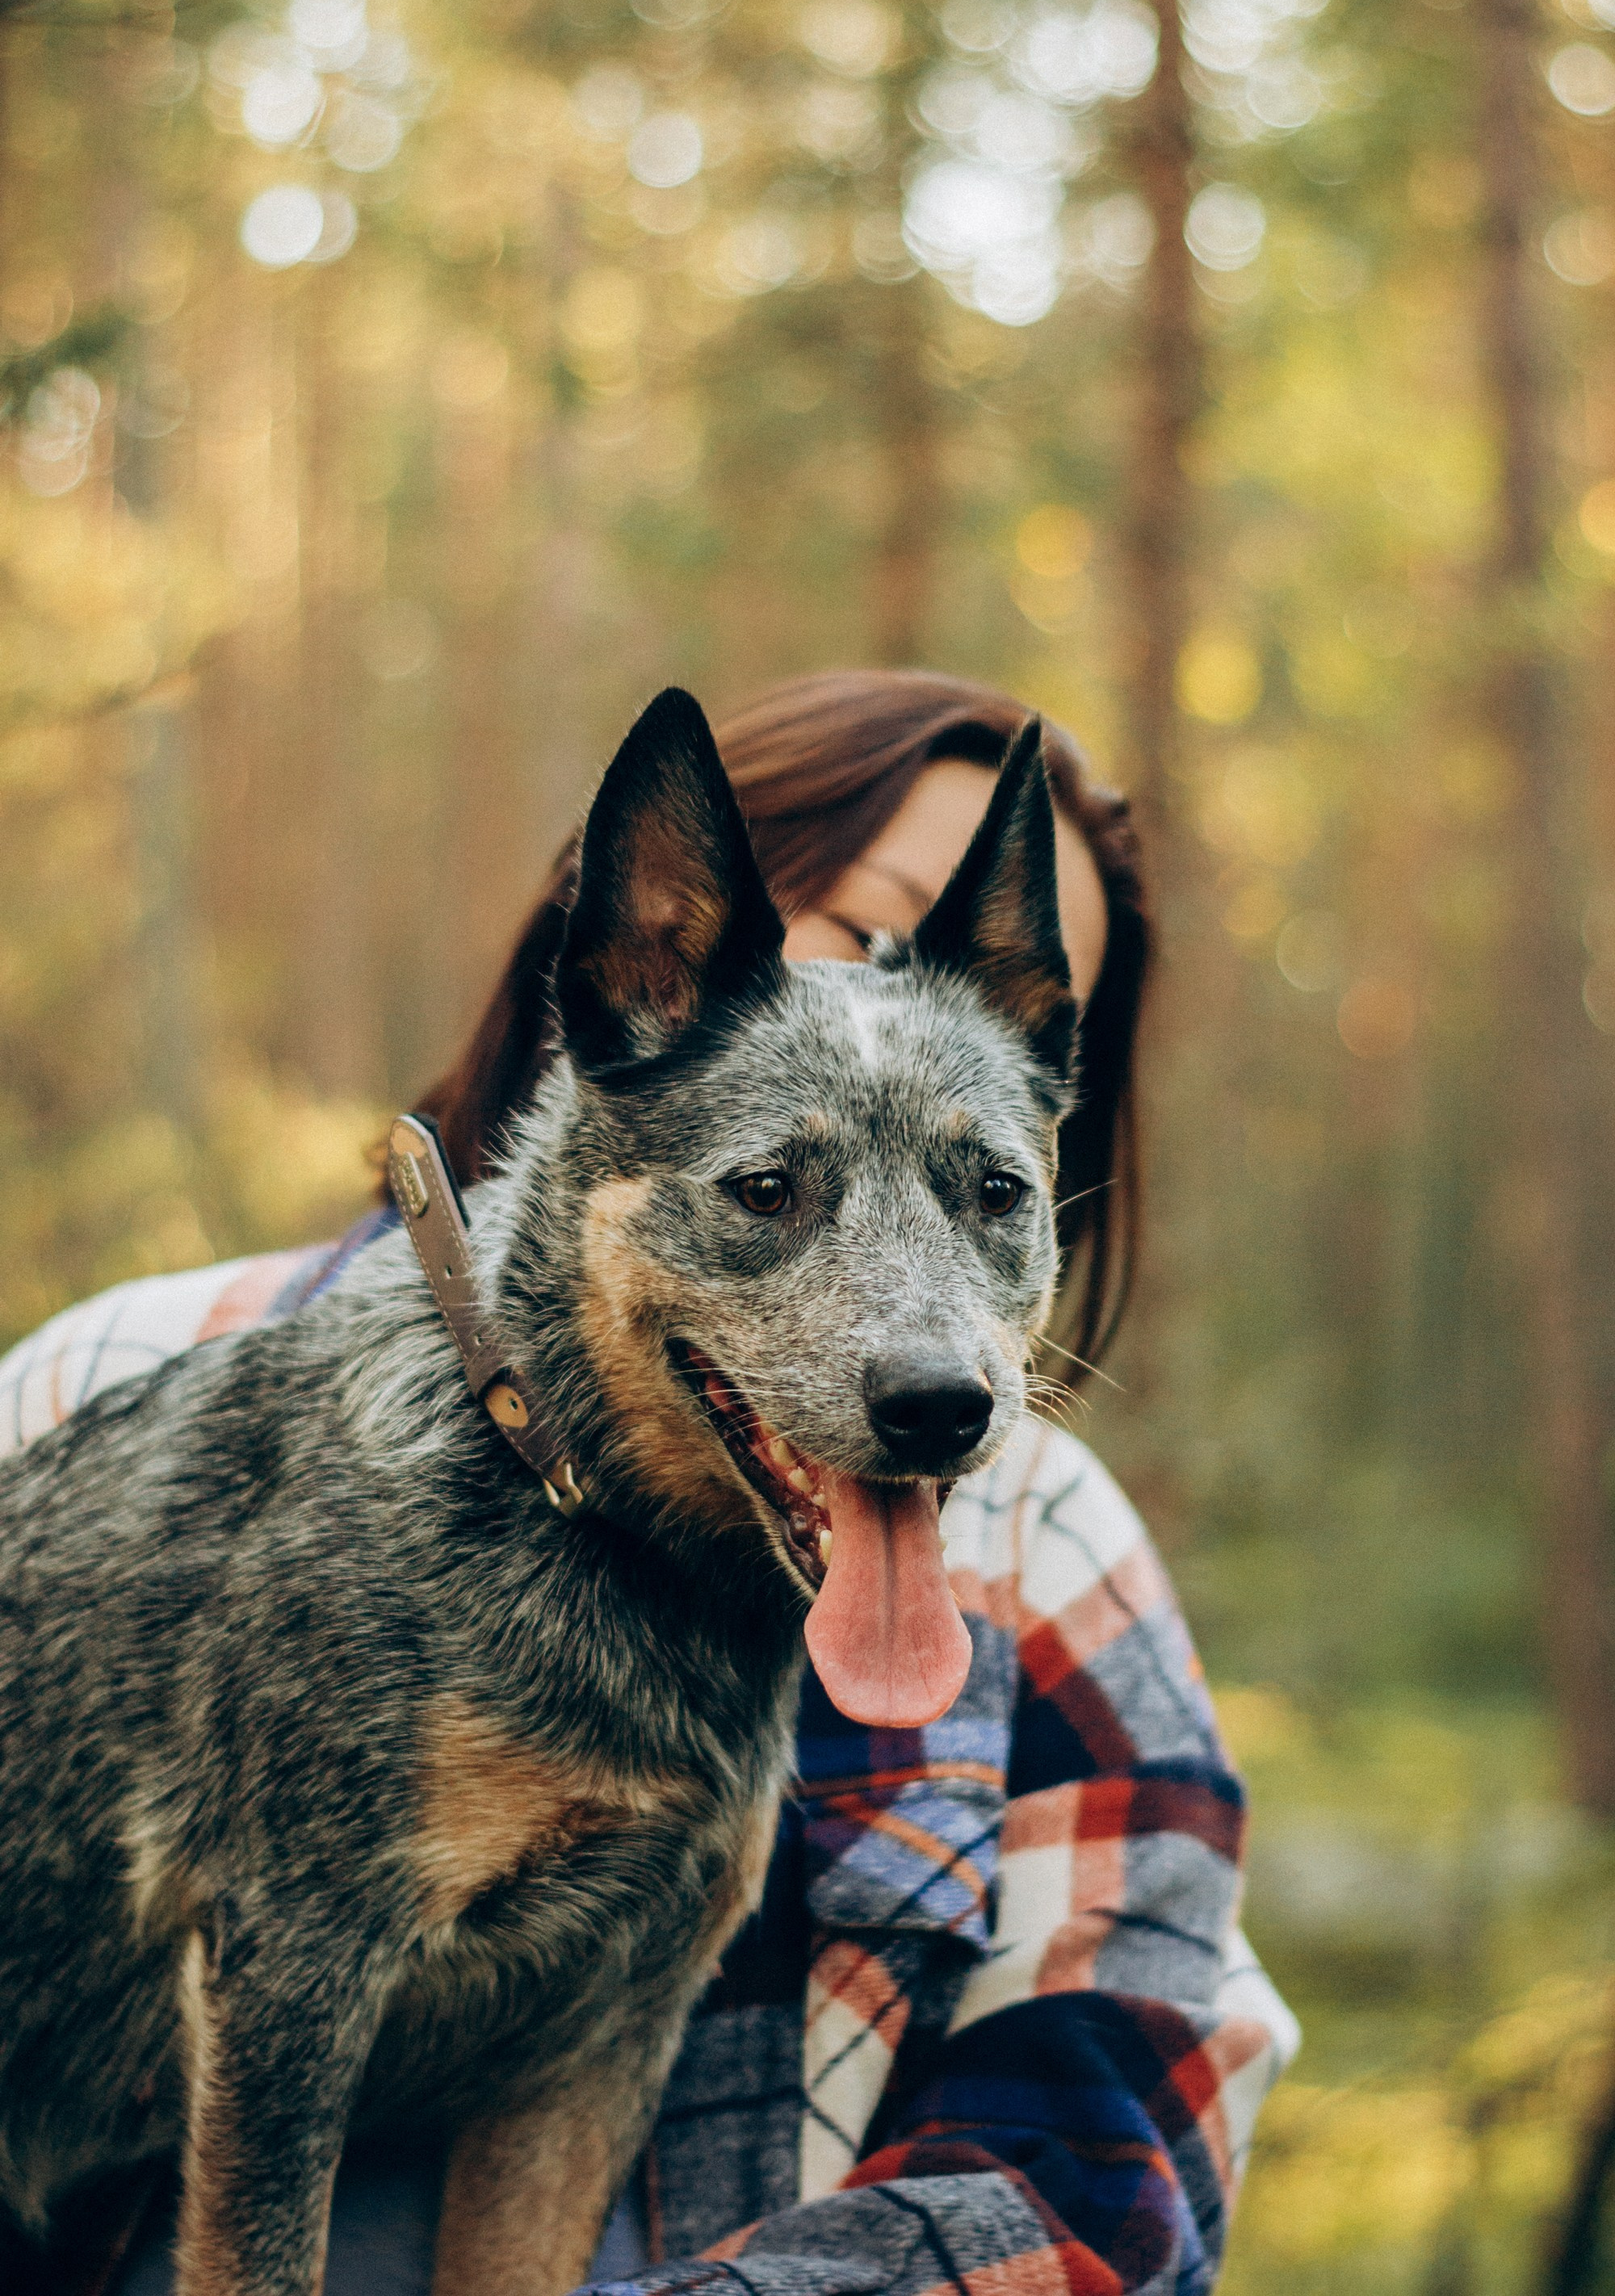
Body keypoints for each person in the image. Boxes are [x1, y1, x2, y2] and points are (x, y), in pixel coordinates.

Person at [0, 669, 1298, 2296]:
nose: (929, 1356)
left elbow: (1114, 2156)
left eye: (990, 1184)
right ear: (645, 934)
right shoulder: (112, 1371)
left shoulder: (1053, 1542)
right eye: (866, 932)